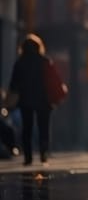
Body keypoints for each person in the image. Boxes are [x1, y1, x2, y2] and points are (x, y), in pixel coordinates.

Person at [8, 34, 55, 165]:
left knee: (27, 128)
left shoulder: (20, 62)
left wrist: (10, 98)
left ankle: (28, 157)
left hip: (26, 100)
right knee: (43, 127)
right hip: (44, 99)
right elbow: (51, 80)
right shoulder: (44, 61)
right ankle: (43, 153)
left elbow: (14, 83)